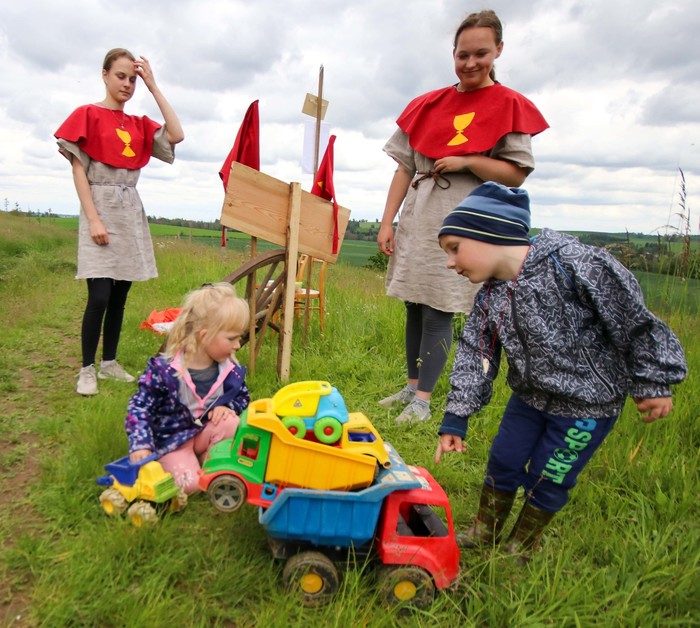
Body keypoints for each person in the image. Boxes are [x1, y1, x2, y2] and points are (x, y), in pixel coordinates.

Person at [434, 182, 687, 562]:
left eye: (455, 248)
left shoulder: (573, 264)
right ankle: (486, 529)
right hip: (528, 400)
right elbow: (476, 352)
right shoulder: (490, 294)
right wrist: (457, 416)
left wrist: (653, 379)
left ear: (491, 232)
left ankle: (521, 546)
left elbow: (631, 319)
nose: (450, 262)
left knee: (549, 475)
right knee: (503, 460)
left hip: (586, 407)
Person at [377, 9, 548, 424]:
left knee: (438, 307)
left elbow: (516, 174)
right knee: (415, 304)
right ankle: (412, 385)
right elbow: (404, 168)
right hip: (420, 216)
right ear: (453, 53)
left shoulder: (509, 105)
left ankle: (423, 401)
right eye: (462, 55)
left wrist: (468, 160)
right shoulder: (428, 104)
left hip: (463, 220)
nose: (471, 63)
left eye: (481, 54)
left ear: (498, 50)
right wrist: (387, 222)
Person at [55, 48, 185, 396]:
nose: (127, 84)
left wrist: (153, 85)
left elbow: (176, 134)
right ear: (105, 75)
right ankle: (86, 369)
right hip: (100, 205)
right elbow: (79, 171)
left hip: (129, 209)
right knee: (99, 295)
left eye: (132, 79)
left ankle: (109, 363)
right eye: (120, 76)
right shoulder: (86, 115)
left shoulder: (139, 124)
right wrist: (93, 219)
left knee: (119, 295)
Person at [125, 283, 250, 494]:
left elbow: (243, 397)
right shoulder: (165, 372)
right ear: (204, 336)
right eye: (232, 338)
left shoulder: (229, 370)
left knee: (230, 422)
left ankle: (211, 463)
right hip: (173, 441)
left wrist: (229, 407)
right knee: (191, 486)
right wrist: (140, 443)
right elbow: (140, 407)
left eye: (239, 338)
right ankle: (181, 465)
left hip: (203, 432)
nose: (238, 345)